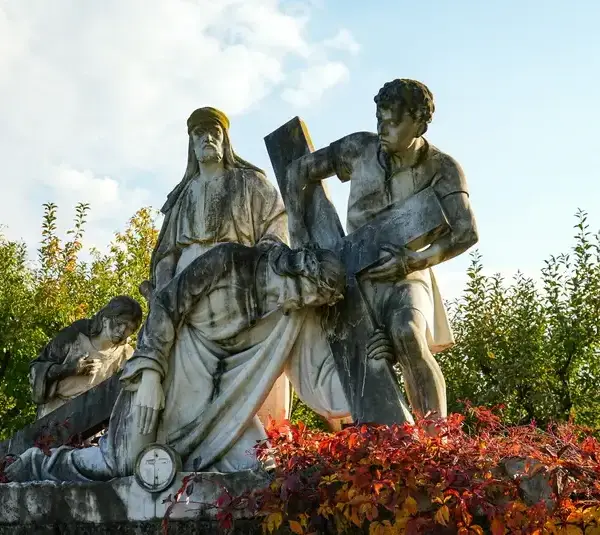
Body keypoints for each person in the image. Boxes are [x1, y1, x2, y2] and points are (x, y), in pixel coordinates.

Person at [6, 107, 350, 483]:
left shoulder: (251, 187)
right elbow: (166, 261)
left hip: (234, 297)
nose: (207, 139)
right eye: (199, 133)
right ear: (190, 143)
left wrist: (259, 266)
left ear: (226, 139)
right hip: (187, 312)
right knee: (122, 458)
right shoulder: (183, 200)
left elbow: (275, 227)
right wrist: (162, 308)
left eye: (214, 132)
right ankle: (38, 465)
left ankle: (236, 447)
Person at [286, 79, 479, 420]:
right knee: (370, 362)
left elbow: (466, 233)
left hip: (406, 275)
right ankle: (383, 449)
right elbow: (296, 170)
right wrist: (300, 234)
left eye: (393, 122)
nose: (383, 129)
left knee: (407, 334)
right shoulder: (359, 149)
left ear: (419, 122)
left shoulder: (443, 169)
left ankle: (438, 442)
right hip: (354, 280)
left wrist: (412, 261)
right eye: (380, 120)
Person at [29, 296, 143, 418]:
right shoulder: (75, 335)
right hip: (54, 416)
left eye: (130, 328)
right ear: (106, 318)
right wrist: (68, 369)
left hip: (92, 424)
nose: (122, 330)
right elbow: (36, 370)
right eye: (120, 323)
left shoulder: (125, 354)